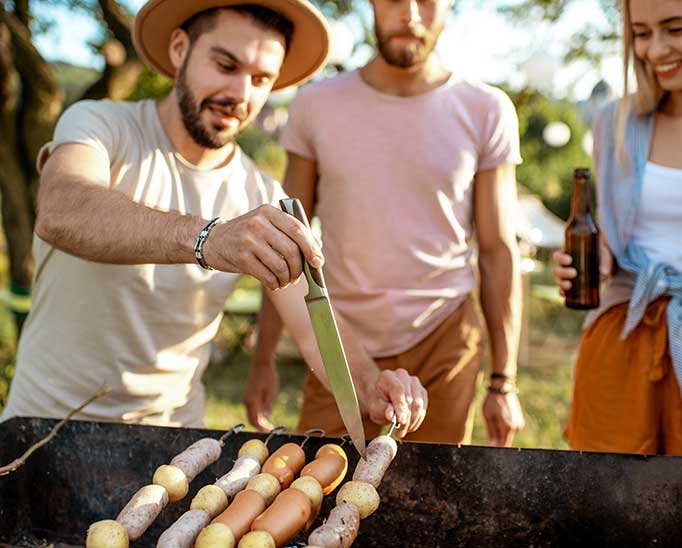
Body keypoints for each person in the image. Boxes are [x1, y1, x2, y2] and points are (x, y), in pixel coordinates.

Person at [0, 0, 427, 438]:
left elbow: (312, 321)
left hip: (174, 440)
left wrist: (371, 382)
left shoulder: (262, 194)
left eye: (261, 80)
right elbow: (60, 209)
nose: (242, 94)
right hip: (43, 427)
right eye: (226, 64)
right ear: (181, 49)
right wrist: (210, 238)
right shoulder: (100, 124)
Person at [246, 0, 525, 445]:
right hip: (338, 338)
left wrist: (502, 382)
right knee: (318, 490)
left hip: (446, 339)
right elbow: (286, 240)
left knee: (432, 498)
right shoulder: (316, 104)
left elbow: (497, 250)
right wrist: (263, 360)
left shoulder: (486, 108)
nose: (411, 14)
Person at [553, 0, 682, 497]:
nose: (656, 50)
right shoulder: (615, 123)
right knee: (608, 499)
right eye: (642, 33)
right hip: (626, 335)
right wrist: (586, 262)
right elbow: (607, 236)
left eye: (675, 29)